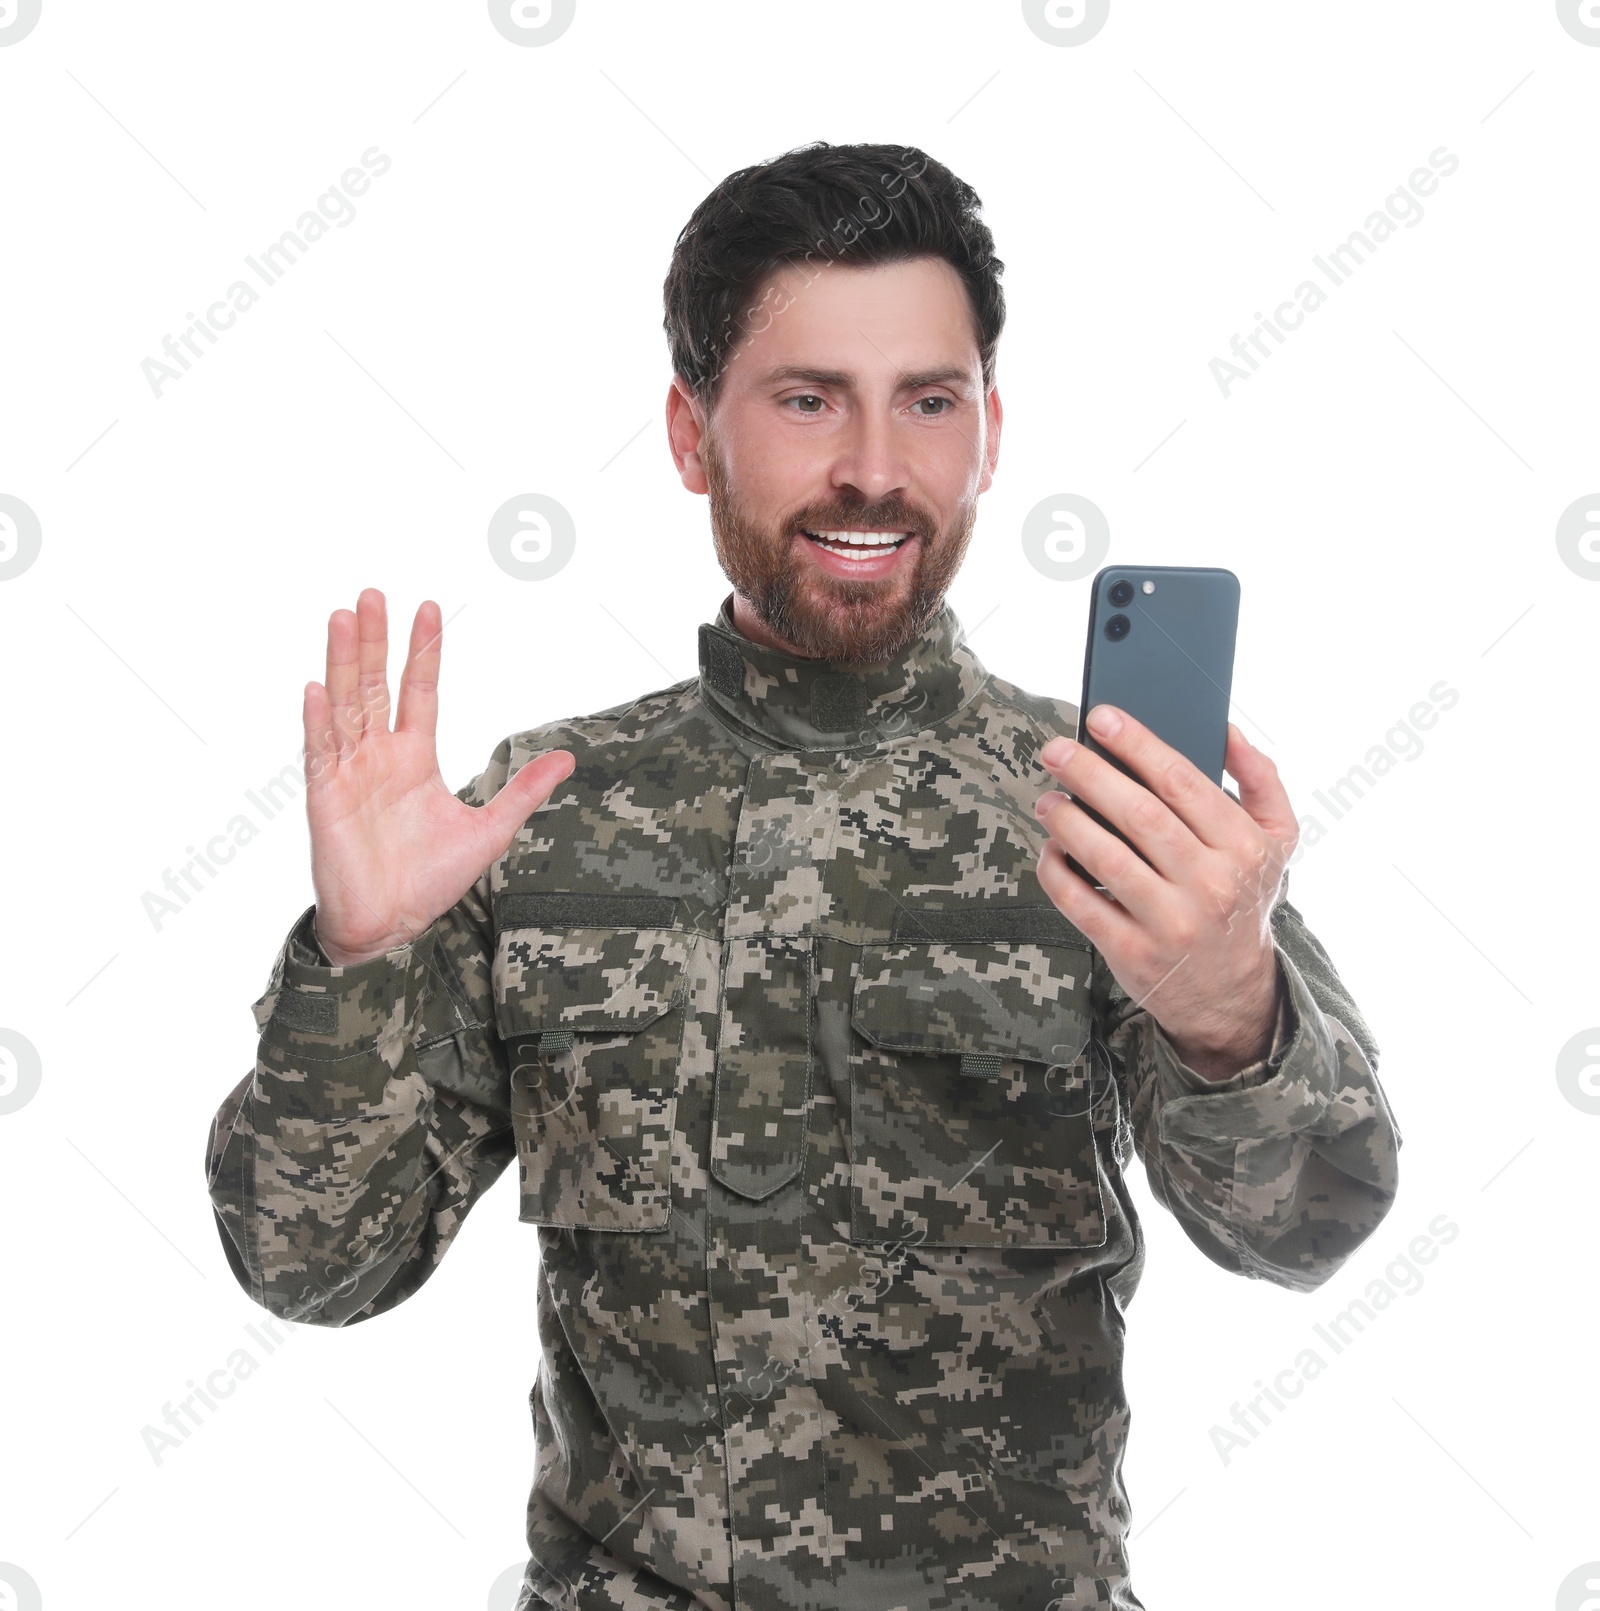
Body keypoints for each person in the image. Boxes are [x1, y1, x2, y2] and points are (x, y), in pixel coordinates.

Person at [205, 141, 1401, 1611]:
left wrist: (1231, 1010)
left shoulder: (1116, 813)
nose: (875, 471)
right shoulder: (537, 817)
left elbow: (1313, 1228)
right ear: (692, 433)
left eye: (929, 401)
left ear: (990, 432)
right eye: (807, 398)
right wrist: (358, 966)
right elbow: (312, 1267)